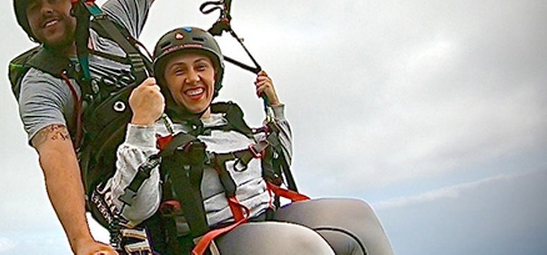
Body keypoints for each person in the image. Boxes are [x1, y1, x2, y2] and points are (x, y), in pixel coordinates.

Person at [11, 0, 196, 255]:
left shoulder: (112, 23)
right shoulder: (41, 81)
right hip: (120, 190)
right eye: (34, 7)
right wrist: (81, 239)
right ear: (27, 24)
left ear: (75, 2)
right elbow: (55, 154)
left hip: (177, 164)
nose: (46, 10)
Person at [96, 26, 395, 255]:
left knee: (357, 215)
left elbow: (278, 163)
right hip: (212, 239)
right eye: (179, 71)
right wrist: (142, 123)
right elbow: (134, 210)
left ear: (216, 75)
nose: (192, 78)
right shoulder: (155, 131)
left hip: (265, 217)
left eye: (201, 67)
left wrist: (275, 107)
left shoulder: (232, 121)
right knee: (303, 248)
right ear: (165, 84)